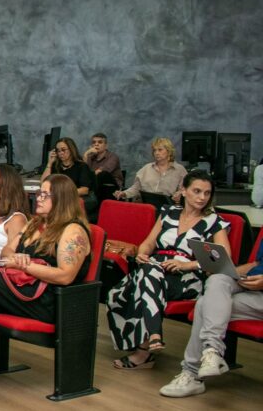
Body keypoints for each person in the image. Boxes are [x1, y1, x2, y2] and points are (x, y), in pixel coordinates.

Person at [0, 175, 91, 399]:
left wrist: (25, 265)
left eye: (45, 195)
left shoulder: (72, 230)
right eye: (39, 193)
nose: (38, 198)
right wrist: (17, 257)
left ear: (61, 199)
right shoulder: (35, 224)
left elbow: (65, 276)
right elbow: (6, 251)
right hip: (23, 291)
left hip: (51, 302)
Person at [107, 170, 230, 369]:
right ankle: (151, 338)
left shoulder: (214, 222)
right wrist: (142, 254)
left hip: (188, 276)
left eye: (207, 193)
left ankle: (149, 343)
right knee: (118, 293)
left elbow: (222, 260)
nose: (202, 197)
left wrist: (187, 264)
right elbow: (149, 243)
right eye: (197, 191)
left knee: (145, 277)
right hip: (156, 267)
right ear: (183, 190)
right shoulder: (168, 212)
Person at [159, 237, 263, 397]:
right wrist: (232, 273)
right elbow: (257, 264)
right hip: (253, 289)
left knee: (204, 304)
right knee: (217, 280)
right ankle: (212, 352)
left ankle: (192, 373)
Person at [115, 137, 187, 204]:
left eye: (160, 150)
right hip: (146, 204)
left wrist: (180, 194)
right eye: (154, 150)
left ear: (169, 151)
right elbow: (136, 188)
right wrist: (124, 193)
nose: (156, 153)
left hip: (168, 205)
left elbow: (185, 190)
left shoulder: (179, 170)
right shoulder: (146, 168)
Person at [42, 136, 97, 219]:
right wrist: (49, 163)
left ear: (71, 150)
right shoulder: (56, 165)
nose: (60, 153)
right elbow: (43, 183)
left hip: (75, 200)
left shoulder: (81, 166)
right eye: (58, 151)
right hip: (59, 199)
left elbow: (84, 190)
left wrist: (62, 194)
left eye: (63, 150)